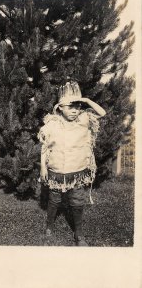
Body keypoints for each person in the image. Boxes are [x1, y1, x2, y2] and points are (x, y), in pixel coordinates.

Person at [38, 81, 106, 246]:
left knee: (77, 201)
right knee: (54, 200)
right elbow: (45, 147)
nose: (75, 110)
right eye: (70, 106)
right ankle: (49, 227)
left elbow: (102, 113)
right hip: (56, 171)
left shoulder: (83, 120)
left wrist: (87, 100)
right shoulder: (52, 125)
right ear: (60, 107)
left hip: (77, 171)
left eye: (77, 106)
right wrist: (43, 167)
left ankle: (78, 233)